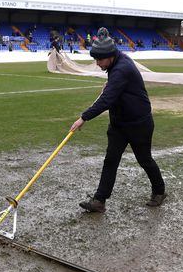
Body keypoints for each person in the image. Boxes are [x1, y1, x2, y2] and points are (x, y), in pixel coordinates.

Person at [70, 27, 166, 213]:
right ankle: (99, 201)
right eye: (95, 59)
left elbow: (107, 100)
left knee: (144, 160)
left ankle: (159, 191)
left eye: (100, 59)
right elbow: (114, 90)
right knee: (111, 160)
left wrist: (84, 118)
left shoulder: (122, 68)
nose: (97, 63)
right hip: (119, 124)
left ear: (110, 55)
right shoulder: (115, 64)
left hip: (139, 124)